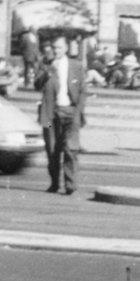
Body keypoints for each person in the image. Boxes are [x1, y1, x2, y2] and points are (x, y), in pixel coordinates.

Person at [35, 36, 86, 196]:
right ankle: (55, 183)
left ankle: (70, 185)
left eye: (59, 48)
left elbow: (83, 90)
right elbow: (37, 85)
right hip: (50, 113)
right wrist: (49, 71)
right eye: (54, 48)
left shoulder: (76, 65)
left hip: (70, 111)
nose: (56, 51)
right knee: (52, 150)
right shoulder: (45, 65)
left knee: (71, 149)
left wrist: (78, 110)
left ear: (66, 49)